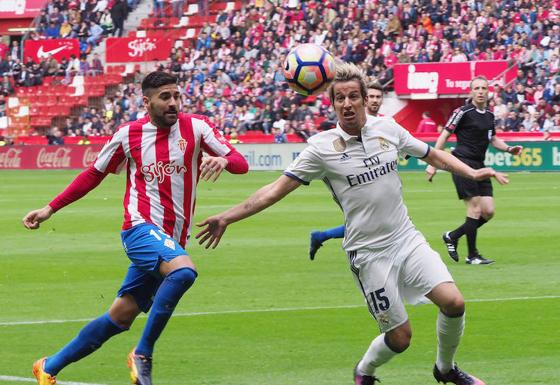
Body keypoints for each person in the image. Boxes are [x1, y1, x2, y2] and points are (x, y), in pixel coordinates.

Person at [196, 63, 505, 385]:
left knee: (454, 303)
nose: (346, 104)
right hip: (369, 253)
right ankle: (365, 371)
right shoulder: (321, 148)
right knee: (400, 338)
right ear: (332, 104)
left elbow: (432, 155)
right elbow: (274, 190)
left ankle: (445, 369)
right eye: (339, 98)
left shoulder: (388, 128)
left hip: (406, 238)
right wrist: (226, 217)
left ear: (363, 100)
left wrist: (471, 172)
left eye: (353, 96)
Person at [23, 71, 248, 385]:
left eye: (176, 96)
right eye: (165, 97)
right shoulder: (128, 134)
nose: (173, 103)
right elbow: (93, 174)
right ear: (147, 102)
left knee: (120, 316)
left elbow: (240, 162)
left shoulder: (197, 127)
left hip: (170, 239)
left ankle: (48, 367)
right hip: (139, 229)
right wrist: (50, 208)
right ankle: (142, 353)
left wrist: (224, 161)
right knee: (183, 273)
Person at [426, 76, 523, 265]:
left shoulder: (489, 115)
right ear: (471, 91)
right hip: (462, 163)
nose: (480, 91)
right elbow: (444, 135)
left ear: (488, 91)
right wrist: (433, 163)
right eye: (476, 88)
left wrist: (510, 149)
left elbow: (493, 139)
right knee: (475, 209)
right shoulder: (463, 111)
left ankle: (452, 236)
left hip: (480, 165)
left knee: (488, 211)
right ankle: (472, 255)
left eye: (483, 88)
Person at [307, 81, 385, 260]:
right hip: (357, 182)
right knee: (368, 221)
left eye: (378, 97)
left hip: (378, 180)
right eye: (372, 96)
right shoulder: (351, 121)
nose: (374, 100)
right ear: (366, 99)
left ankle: (321, 236)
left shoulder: (384, 124)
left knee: (372, 222)